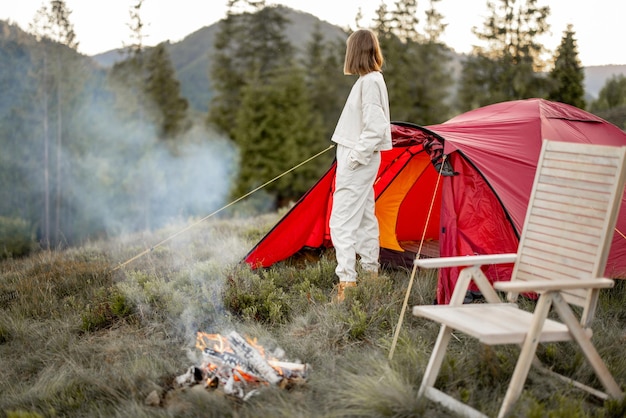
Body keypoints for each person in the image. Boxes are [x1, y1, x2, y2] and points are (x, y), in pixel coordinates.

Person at [329, 29, 392, 302]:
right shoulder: (372, 80)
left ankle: (347, 282)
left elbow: (376, 126)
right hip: (362, 159)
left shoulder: (369, 82)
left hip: (359, 161)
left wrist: (354, 157)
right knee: (365, 218)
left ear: (355, 51)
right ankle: (371, 273)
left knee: (340, 222)